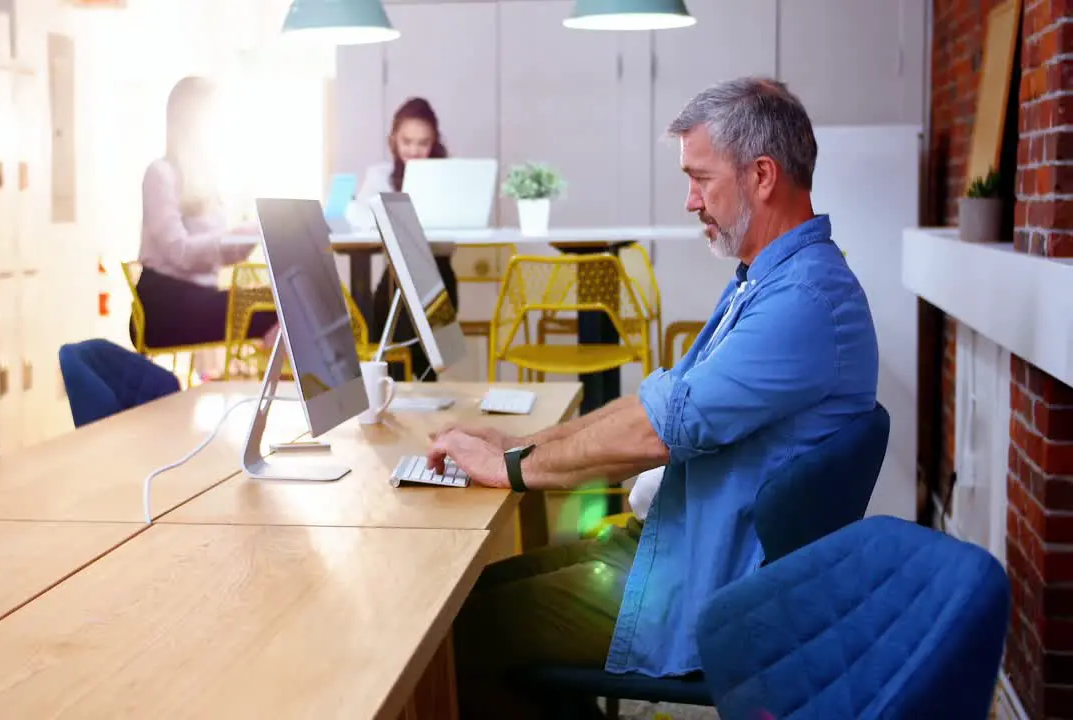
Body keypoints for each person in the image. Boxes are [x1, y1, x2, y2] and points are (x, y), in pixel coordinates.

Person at [425, 77, 880, 718]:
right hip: (670, 546)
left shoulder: (802, 303)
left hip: (698, 585)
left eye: (702, 178)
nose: (691, 200)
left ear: (762, 176)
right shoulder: (768, 281)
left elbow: (654, 435)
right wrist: (519, 442)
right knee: (470, 597)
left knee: (445, 637)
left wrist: (511, 470)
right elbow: (655, 403)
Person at [132, 76, 279, 366]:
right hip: (164, 304)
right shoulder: (161, 173)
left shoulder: (206, 180)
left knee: (285, 301)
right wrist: (230, 237)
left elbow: (214, 255)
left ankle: (273, 383)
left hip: (198, 297)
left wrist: (250, 235)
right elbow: (181, 252)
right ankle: (274, 385)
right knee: (276, 310)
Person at [347, 97, 460, 381]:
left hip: (437, 272)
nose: (414, 150)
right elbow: (360, 219)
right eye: (407, 141)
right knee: (388, 344)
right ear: (393, 140)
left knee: (427, 357)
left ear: (434, 142)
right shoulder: (380, 176)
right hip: (396, 275)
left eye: (423, 143)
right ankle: (391, 400)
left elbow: (452, 237)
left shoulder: (449, 176)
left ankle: (424, 402)